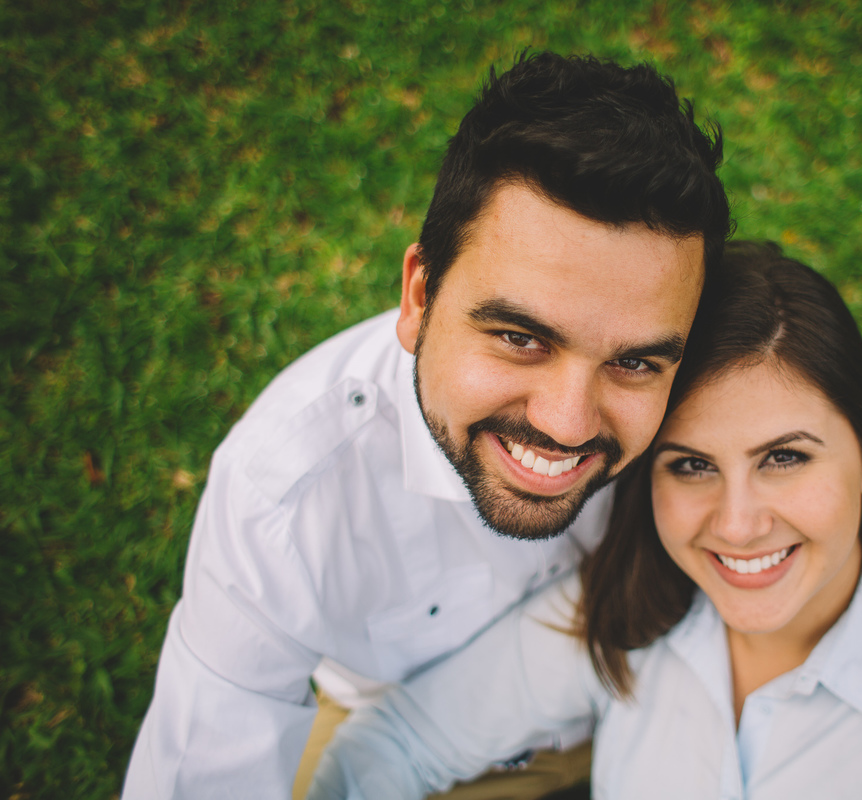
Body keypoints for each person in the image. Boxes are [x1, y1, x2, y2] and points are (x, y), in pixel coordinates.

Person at [122, 51, 730, 799]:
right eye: (519, 338)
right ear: (419, 295)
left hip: (641, 717)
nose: (569, 423)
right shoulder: (281, 499)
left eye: (635, 363)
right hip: (393, 750)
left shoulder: (714, 397)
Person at [307, 241, 862, 799]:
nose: (737, 526)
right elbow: (403, 740)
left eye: (785, 458)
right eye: (692, 466)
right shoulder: (633, 598)